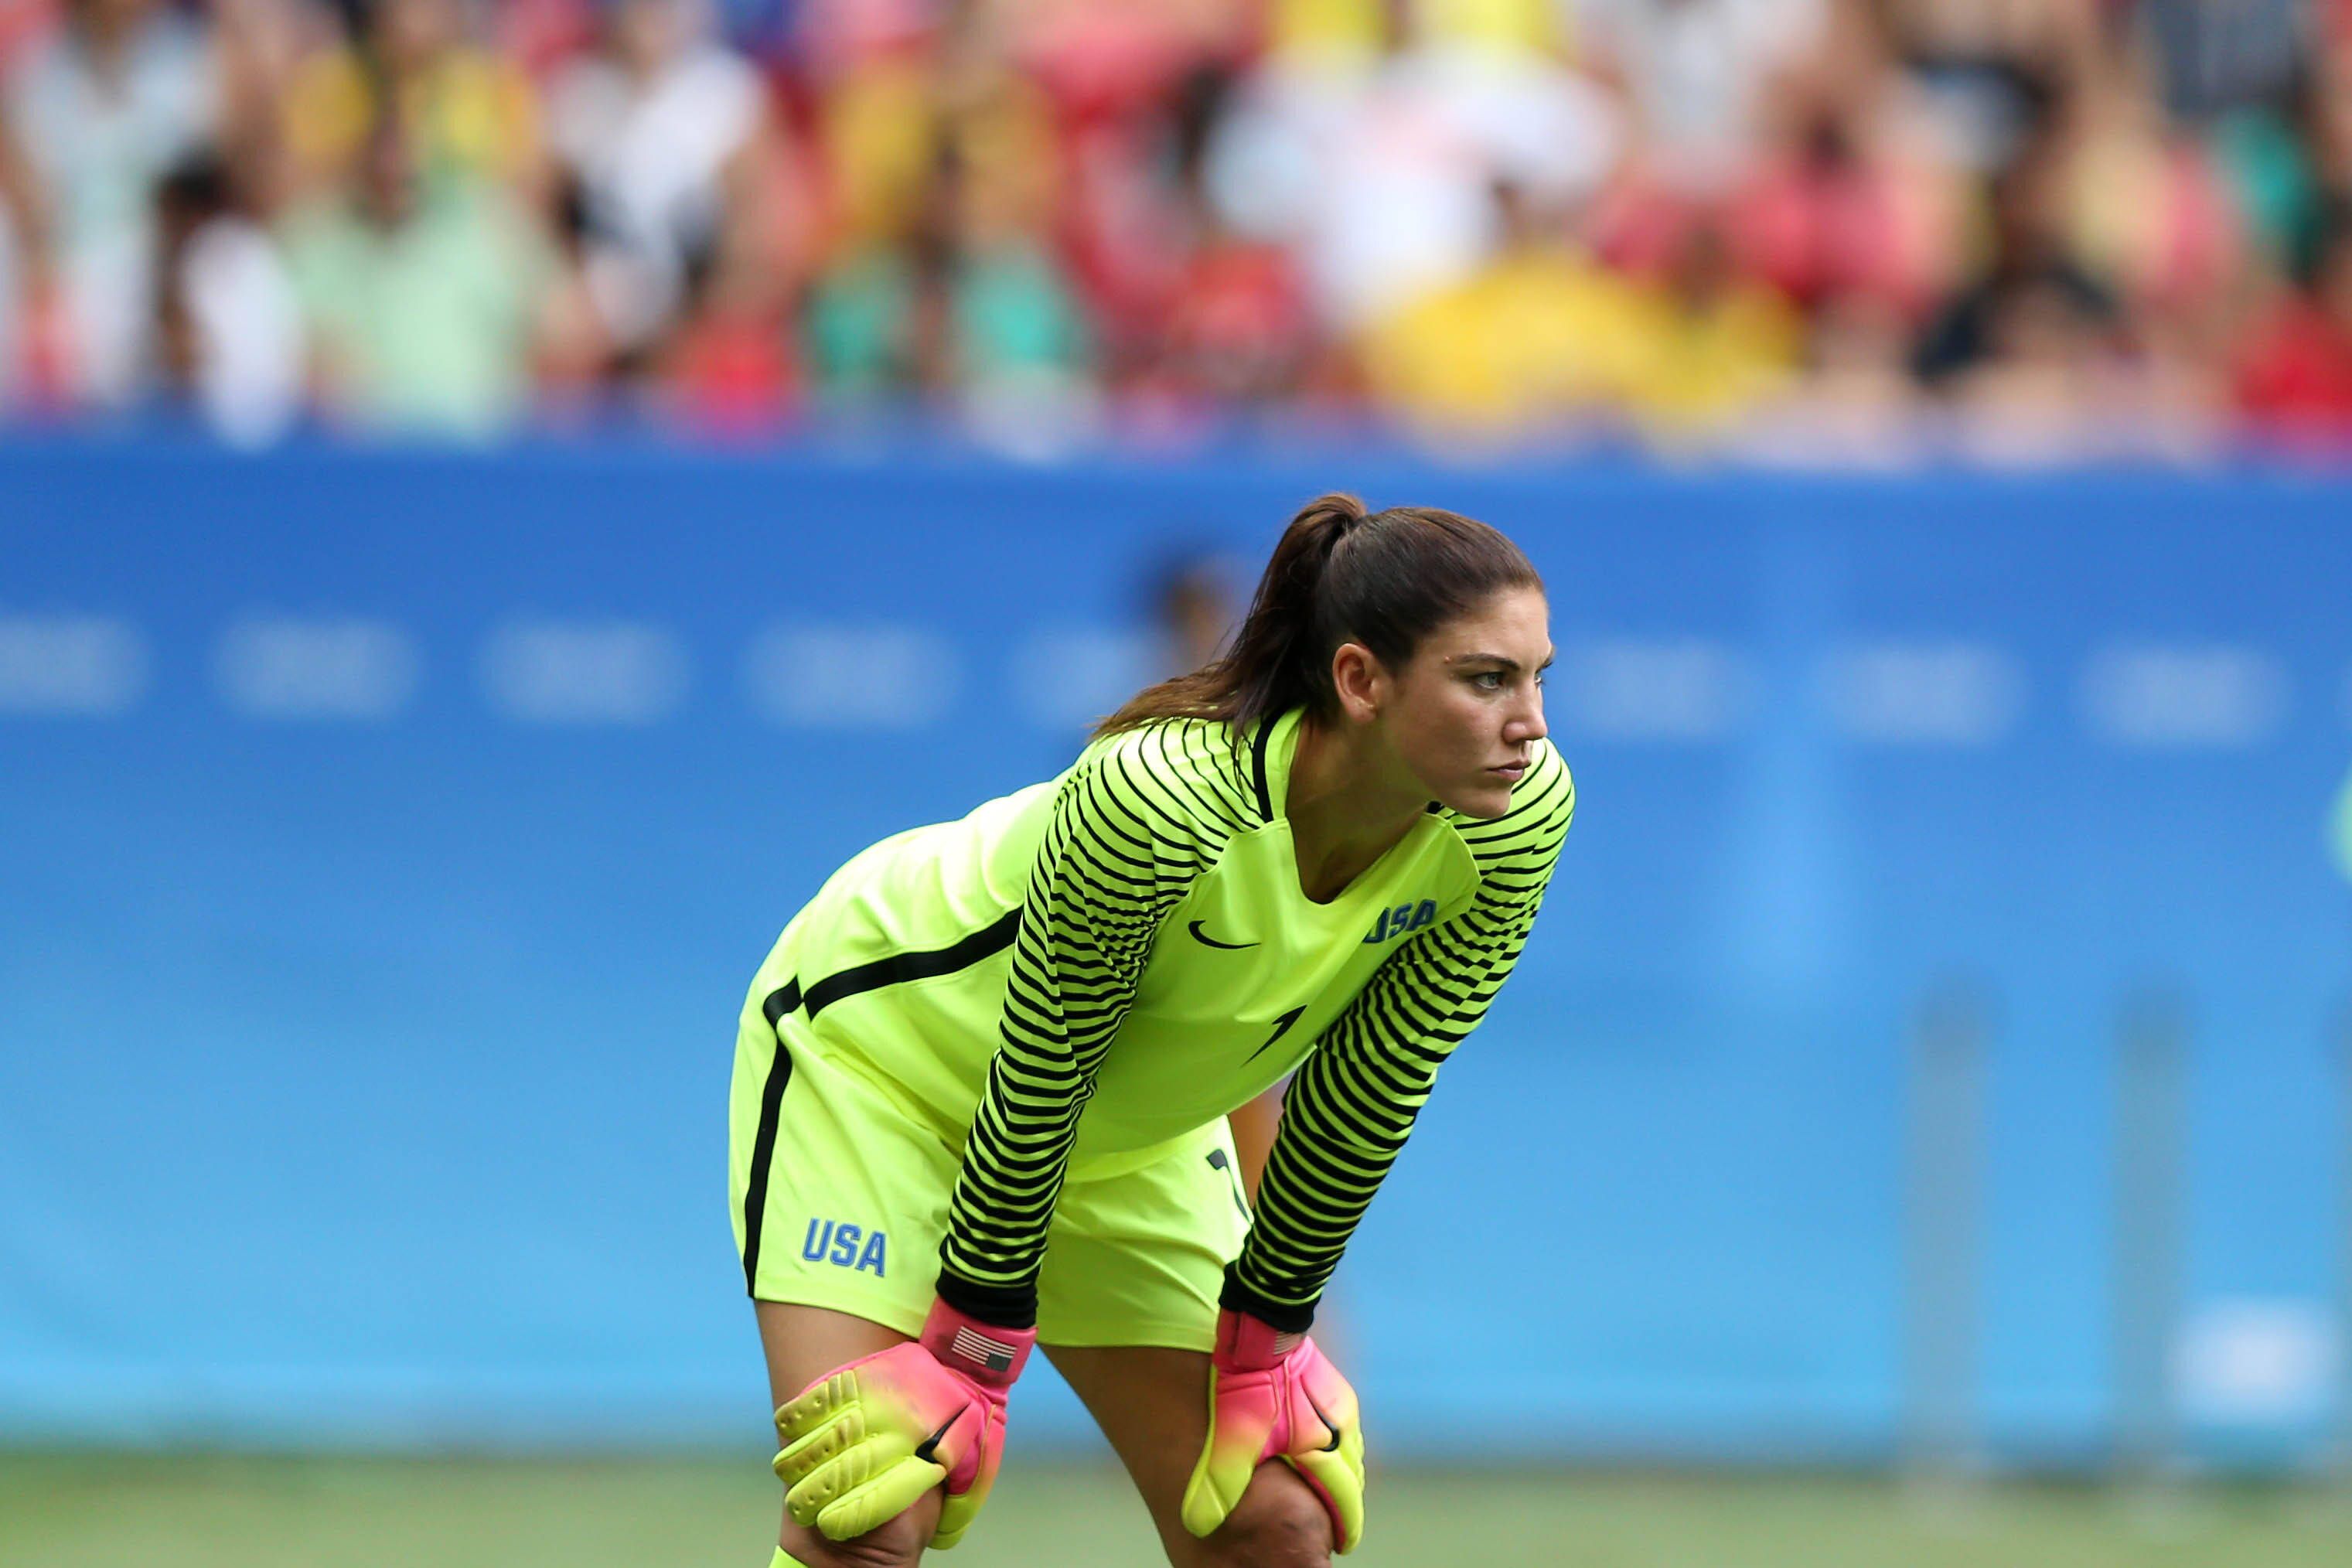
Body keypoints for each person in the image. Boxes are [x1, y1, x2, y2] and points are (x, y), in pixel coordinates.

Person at [728, 493, 1575, 1568]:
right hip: (881, 1066)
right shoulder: (1163, 797)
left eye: (1540, 676)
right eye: (1485, 679)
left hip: (1124, 1132)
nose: (1531, 722)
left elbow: (1371, 1086)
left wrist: (1268, 1335)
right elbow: (1045, 1061)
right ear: (1360, 680)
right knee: (870, 1507)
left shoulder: (1520, 817)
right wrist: (974, 1349)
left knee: (1274, 1523)